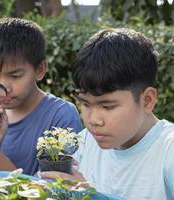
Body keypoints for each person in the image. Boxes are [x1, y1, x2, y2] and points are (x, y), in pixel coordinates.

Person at [40, 28, 174, 199]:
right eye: (85, 104)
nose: (93, 120)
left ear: (147, 100)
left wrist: (91, 196)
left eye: (107, 107)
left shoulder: (168, 151)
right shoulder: (86, 142)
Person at [0, 18, 82, 175]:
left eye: (15, 76)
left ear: (40, 70)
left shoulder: (61, 115)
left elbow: (52, 192)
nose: (3, 88)